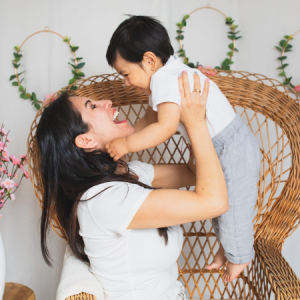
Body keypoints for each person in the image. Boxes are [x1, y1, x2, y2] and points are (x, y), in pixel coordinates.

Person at [36, 72, 228, 300]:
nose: (107, 103)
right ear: (86, 140)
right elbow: (214, 202)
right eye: (93, 106)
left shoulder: (127, 174)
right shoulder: (106, 199)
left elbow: (192, 172)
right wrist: (195, 123)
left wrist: (173, 99)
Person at [105, 15, 260, 282]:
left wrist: (127, 144)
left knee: (235, 208)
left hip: (231, 145)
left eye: (126, 74)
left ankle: (241, 257)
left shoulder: (166, 80)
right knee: (226, 207)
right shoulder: (165, 76)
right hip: (220, 145)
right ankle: (229, 249)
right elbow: (148, 120)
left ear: (149, 60)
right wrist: (123, 136)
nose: (125, 83)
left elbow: (163, 128)